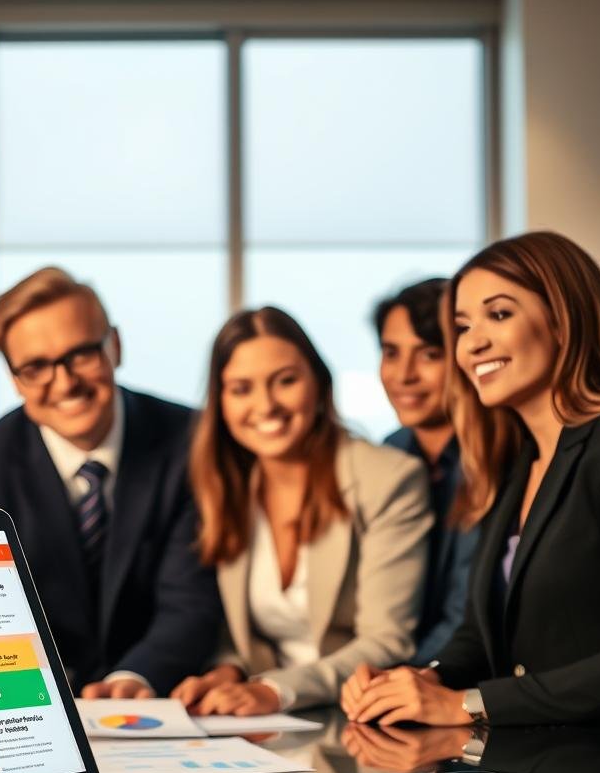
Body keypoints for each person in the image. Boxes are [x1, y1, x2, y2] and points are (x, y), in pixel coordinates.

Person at [342, 231, 600, 727]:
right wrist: (421, 680)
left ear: (564, 318)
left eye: (499, 315)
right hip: (536, 765)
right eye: (462, 326)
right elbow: (479, 635)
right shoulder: (516, 461)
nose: (473, 343)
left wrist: (464, 704)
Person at [0, 267, 223, 698]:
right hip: (33, 704)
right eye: (36, 367)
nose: (66, 383)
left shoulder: (189, 440)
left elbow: (191, 599)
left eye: (82, 354)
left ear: (115, 347)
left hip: (161, 701)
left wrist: (131, 679)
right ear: (15, 379)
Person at [170, 306, 431, 716]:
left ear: (319, 383)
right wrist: (227, 671)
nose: (266, 405)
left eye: (285, 381)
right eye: (241, 389)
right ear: (220, 402)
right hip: (262, 727)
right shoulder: (225, 488)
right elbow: (241, 637)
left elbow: (388, 641)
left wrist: (275, 690)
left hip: (355, 718)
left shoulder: (389, 479)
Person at [375, 278, 478, 665]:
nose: (404, 375)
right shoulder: (389, 452)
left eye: (430, 354)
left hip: (460, 678)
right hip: (393, 670)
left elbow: (467, 614)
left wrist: (410, 675)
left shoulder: (495, 456)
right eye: (390, 352)